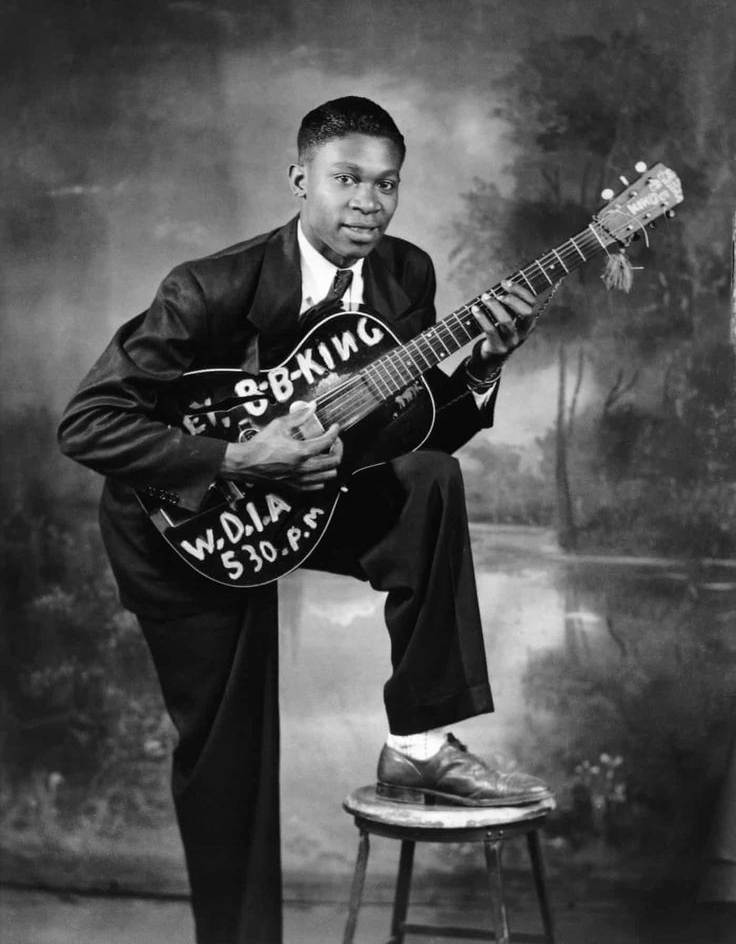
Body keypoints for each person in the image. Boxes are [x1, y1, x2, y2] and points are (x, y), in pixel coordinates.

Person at [58, 96, 551, 944]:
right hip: (190, 524)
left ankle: (422, 741)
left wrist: (481, 370)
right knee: (230, 760)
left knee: (430, 482)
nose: (368, 202)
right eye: (347, 180)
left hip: (318, 502)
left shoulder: (406, 276)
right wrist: (239, 460)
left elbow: (416, 428)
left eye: (386, 185)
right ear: (300, 181)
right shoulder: (208, 287)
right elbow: (89, 423)